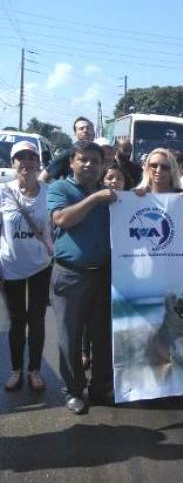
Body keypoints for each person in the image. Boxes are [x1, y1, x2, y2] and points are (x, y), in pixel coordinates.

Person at [47, 140, 117, 414]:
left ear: (102, 166)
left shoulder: (109, 192)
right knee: (69, 336)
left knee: (102, 336)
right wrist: (96, 198)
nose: (89, 165)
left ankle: (100, 388)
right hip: (70, 276)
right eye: (83, 159)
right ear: (72, 163)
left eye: (95, 161)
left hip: (102, 276)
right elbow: (62, 219)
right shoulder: (59, 188)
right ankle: (73, 391)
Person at [1, 141, 53, 392]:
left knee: (37, 319)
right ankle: (15, 370)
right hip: (10, 267)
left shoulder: (49, 192)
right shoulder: (3, 192)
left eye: (31, 157)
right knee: (16, 321)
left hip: (41, 266)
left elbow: (55, 227)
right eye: (20, 158)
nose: (26, 162)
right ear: (13, 164)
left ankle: (34, 370)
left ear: (38, 162)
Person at [40, 117, 95, 182]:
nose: (85, 131)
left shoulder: (103, 152)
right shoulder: (67, 155)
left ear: (94, 132)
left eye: (88, 128)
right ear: (75, 134)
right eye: (81, 129)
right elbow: (43, 178)